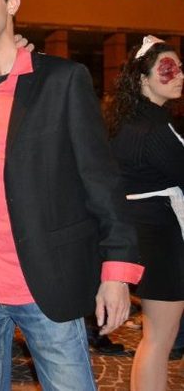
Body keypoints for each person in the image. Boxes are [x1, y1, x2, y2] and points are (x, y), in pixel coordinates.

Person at [0, 0, 143, 390]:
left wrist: (116, 271)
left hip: (44, 281)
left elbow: (102, 181)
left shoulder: (62, 80)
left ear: (12, 3)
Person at [105, 35, 184, 391]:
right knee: (159, 340)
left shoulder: (128, 121)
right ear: (143, 79)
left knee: (154, 340)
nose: (179, 75)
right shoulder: (152, 129)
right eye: (168, 69)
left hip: (145, 233)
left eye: (180, 67)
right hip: (161, 238)